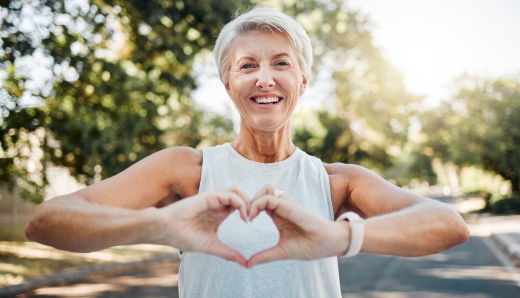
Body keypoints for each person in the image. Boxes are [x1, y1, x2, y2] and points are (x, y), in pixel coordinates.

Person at [25, 7, 470, 298]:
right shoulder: (187, 170)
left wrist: (338, 237)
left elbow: (448, 225)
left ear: (302, 81)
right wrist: (161, 225)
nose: (265, 78)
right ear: (227, 84)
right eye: (247, 66)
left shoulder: (336, 182)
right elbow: (45, 222)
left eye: (281, 63)